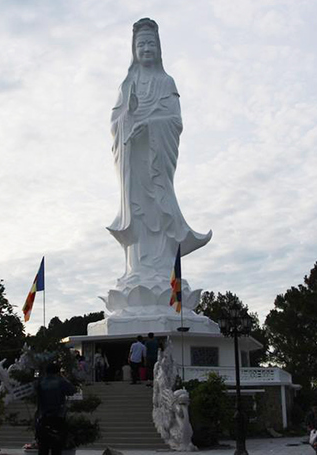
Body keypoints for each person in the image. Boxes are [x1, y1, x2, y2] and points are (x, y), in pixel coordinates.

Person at [108, 18, 211, 297]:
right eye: (141, 44)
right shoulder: (127, 83)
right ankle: (137, 272)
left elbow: (175, 121)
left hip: (156, 160)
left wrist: (151, 125)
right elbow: (116, 122)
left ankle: (166, 273)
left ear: (159, 47)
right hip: (134, 160)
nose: (146, 48)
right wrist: (128, 118)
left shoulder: (166, 82)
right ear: (134, 49)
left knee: (159, 207)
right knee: (138, 211)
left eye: (151, 43)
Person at [35, 363, 77, 455]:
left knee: (43, 448)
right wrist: (63, 377)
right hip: (58, 417)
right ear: (58, 372)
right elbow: (73, 390)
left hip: (43, 417)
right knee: (56, 448)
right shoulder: (61, 381)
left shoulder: (40, 382)